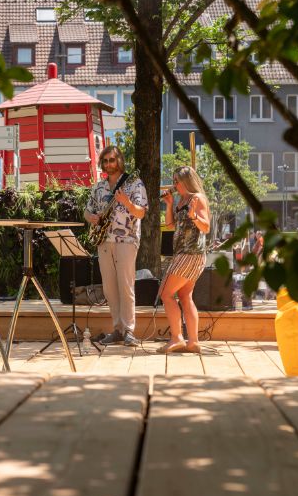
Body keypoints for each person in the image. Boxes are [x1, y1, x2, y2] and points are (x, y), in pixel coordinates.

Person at [84, 145, 149, 347]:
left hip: (126, 241)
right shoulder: (99, 187)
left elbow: (141, 212)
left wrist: (127, 202)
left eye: (112, 160)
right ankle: (117, 329)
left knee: (126, 285)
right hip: (104, 241)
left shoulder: (134, 183)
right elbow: (87, 211)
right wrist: (91, 218)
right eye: (105, 161)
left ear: (119, 161)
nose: (109, 164)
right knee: (109, 288)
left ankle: (129, 330)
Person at [158, 166, 211, 354]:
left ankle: (177, 337)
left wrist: (194, 216)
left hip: (191, 253)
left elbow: (205, 227)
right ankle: (193, 341)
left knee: (165, 294)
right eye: (173, 181)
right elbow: (169, 225)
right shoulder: (182, 200)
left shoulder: (198, 199)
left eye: (176, 181)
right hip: (185, 254)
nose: (174, 185)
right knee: (184, 296)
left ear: (186, 181)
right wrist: (169, 204)